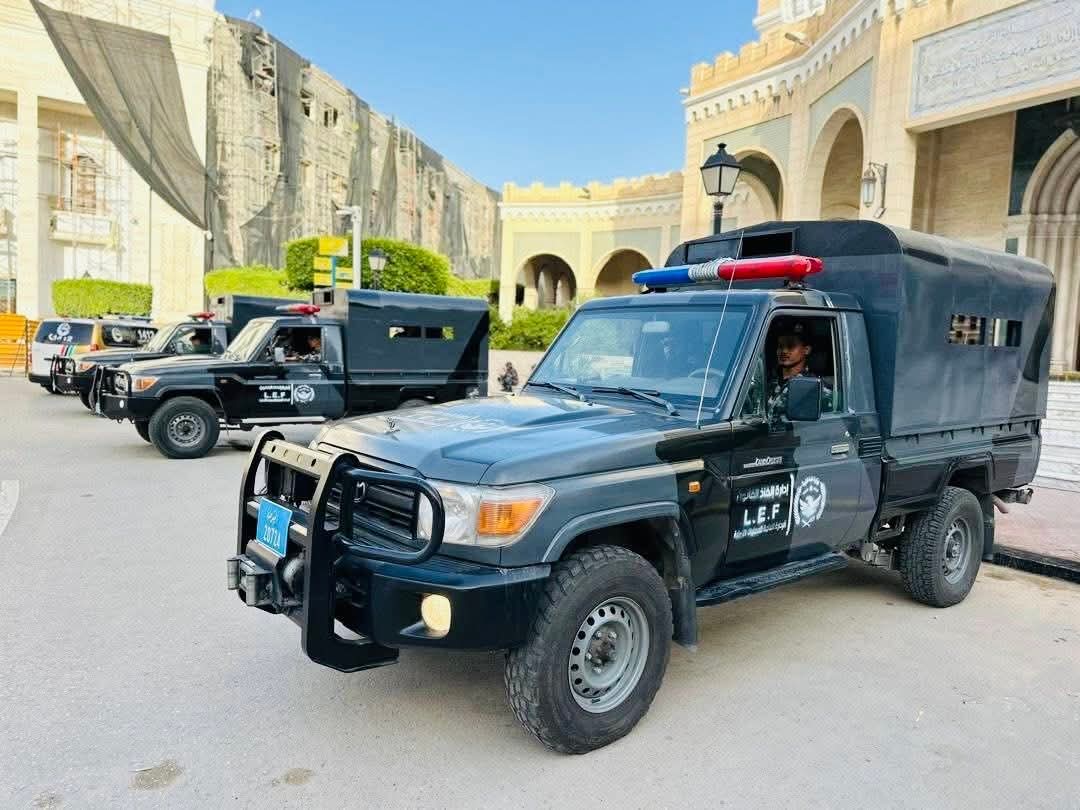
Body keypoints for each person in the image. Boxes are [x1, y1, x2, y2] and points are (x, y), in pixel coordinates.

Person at [765, 321, 832, 425]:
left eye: (791, 346)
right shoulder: (767, 380)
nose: (784, 351)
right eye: (780, 346)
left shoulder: (814, 387)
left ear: (806, 350)